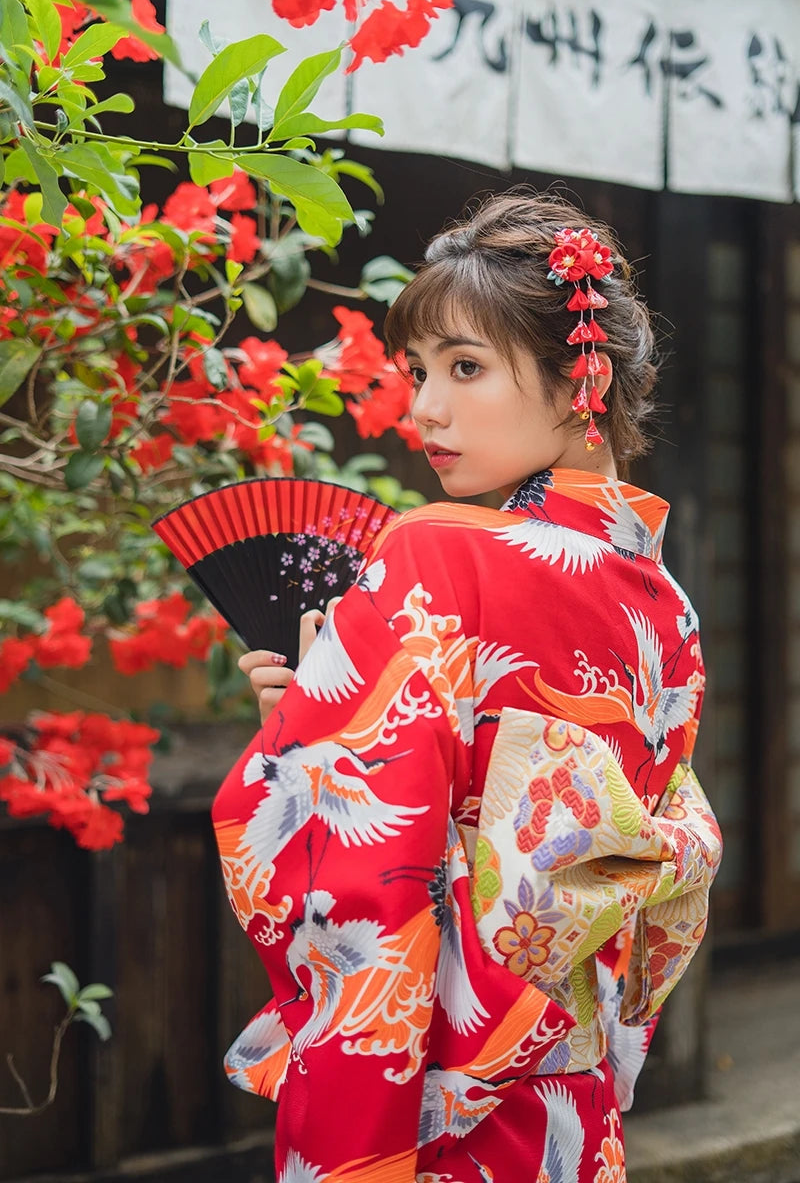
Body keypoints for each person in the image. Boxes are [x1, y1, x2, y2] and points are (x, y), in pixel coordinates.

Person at [213, 192, 722, 1183]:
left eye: (464, 368)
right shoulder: (667, 604)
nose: (424, 410)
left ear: (583, 378)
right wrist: (326, 712)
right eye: (417, 373)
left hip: (444, 1103)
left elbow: (352, 869)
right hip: (574, 1111)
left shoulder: (434, 554)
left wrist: (310, 745)